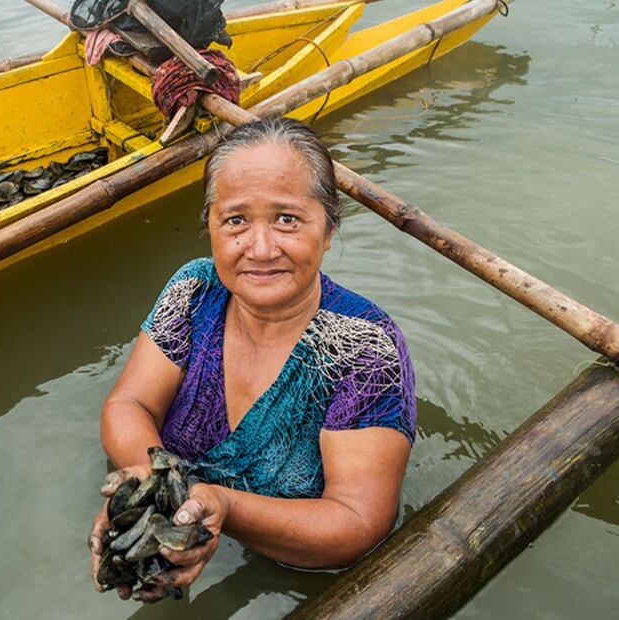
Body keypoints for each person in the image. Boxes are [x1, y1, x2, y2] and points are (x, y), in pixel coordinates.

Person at [88, 118, 416, 602]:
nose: (260, 250)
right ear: (211, 227)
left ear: (328, 228)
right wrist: (151, 490)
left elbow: (357, 524)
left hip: (287, 582)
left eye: (287, 218)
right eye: (236, 220)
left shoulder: (363, 348)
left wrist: (224, 507)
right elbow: (130, 404)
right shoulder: (195, 291)